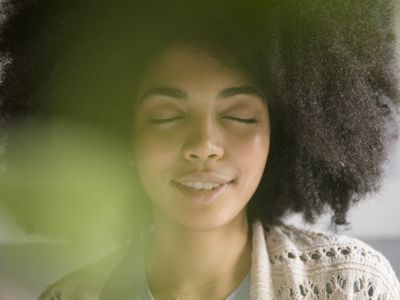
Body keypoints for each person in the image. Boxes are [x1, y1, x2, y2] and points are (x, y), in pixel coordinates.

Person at [1, 0, 400, 299]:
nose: (203, 146)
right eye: (167, 117)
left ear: (280, 136)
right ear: (123, 137)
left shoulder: (354, 286)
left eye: (240, 116)